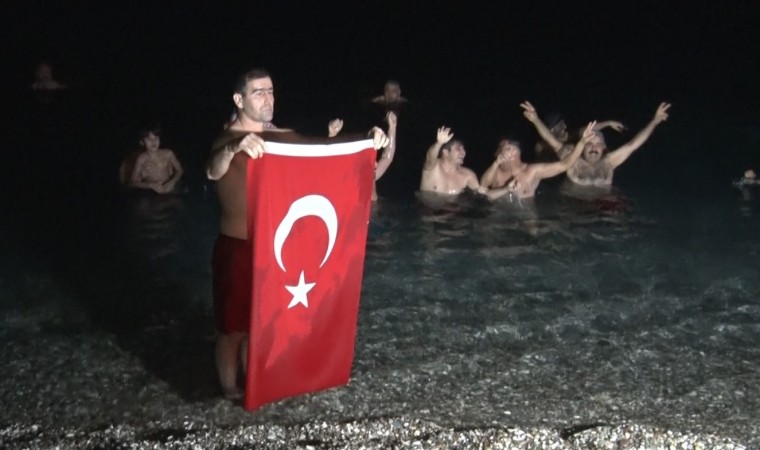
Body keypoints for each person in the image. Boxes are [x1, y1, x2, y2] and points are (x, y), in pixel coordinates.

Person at [206, 68, 389, 400]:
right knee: (232, 328)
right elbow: (212, 169)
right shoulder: (228, 138)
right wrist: (235, 148)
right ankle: (228, 389)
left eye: (270, 91)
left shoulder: (282, 136)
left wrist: (367, 139)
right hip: (238, 247)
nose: (268, 99)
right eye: (258, 92)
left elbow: (322, 148)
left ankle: (257, 381)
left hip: (270, 249)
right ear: (239, 100)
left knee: (265, 323)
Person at [521, 101, 671, 186]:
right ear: (582, 147)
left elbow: (634, 144)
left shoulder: (609, 161)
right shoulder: (572, 160)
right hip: (574, 206)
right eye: (589, 143)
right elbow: (551, 140)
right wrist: (535, 120)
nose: (593, 147)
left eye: (598, 143)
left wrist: (655, 120)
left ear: (604, 147)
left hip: (604, 204)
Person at [480, 121, 596, 199]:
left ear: (516, 152)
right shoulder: (495, 172)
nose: (501, 152)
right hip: (498, 219)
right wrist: (496, 164)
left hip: (526, 219)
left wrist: (582, 142)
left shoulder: (531, 171)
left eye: (506, 148)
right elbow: (482, 186)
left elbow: (565, 165)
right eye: (500, 148)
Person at [419, 126, 508, 200]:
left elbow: (485, 194)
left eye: (463, 149)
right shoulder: (433, 167)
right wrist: (439, 143)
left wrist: (507, 188)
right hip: (428, 213)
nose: (463, 152)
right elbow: (430, 157)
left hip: (453, 213)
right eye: (458, 149)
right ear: (446, 152)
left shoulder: (467, 175)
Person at [125, 126, 184, 194]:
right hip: (151, 192)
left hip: (169, 188)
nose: (153, 141)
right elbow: (131, 183)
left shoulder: (168, 154)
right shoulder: (142, 159)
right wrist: (150, 184)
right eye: (149, 139)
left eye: (156, 138)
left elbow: (180, 170)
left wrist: (172, 182)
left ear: (159, 139)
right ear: (142, 142)